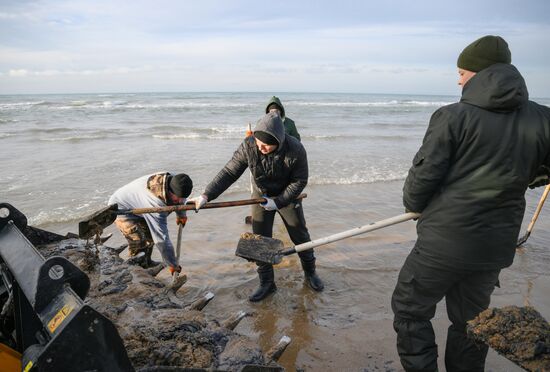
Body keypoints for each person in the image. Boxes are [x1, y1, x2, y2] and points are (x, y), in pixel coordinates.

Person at [391, 35, 550, 372]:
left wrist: (413, 202)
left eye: (462, 72)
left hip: (443, 243)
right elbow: (540, 172)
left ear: (479, 74)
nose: (458, 79)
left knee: (409, 309)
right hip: (494, 248)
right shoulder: (544, 118)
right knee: (472, 322)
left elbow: (421, 182)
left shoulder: (452, 116)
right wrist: (524, 177)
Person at [190, 112, 324, 302]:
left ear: (279, 141)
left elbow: (300, 181)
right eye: (258, 143)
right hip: (261, 196)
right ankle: (267, 283)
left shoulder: (296, 149)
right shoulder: (250, 145)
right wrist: (206, 195)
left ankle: (311, 273)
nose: (261, 147)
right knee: (260, 239)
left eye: (267, 145)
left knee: (299, 235)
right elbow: (229, 172)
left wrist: (278, 202)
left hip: (288, 195)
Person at [109, 172, 193, 281]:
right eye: (177, 199)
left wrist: (181, 214)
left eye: (183, 198)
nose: (181, 201)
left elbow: (182, 200)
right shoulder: (155, 205)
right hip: (121, 208)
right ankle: (134, 275)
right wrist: (172, 264)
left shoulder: (177, 181)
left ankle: (147, 263)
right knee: (138, 243)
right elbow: (161, 239)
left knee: (149, 239)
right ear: (170, 191)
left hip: (139, 204)